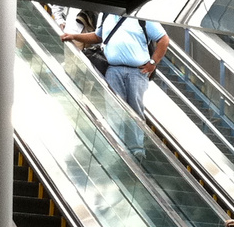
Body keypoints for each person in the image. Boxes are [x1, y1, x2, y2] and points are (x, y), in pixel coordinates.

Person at [61, 13, 169, 154]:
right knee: (114, 109)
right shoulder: (107, 16)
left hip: (137, 72)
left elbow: (163, 39)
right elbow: (97, 37)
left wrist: (153, 63)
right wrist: (74, 36)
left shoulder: (143, 17)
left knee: (134, 109)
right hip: (113, 70)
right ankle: (118, 147)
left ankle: (136, 149)